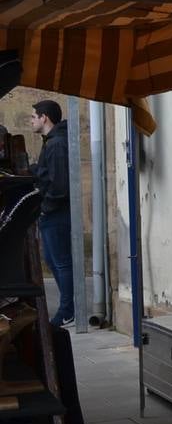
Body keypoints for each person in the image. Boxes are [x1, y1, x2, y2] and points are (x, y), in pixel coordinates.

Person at [30, 99, 73, 327]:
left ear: (44, 117)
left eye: (34, 117)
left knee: (62, 262)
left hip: (55, 213)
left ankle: (68, 311)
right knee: (53, 260)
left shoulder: (56, 144)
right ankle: (69, 308)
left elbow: (60, 185)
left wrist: (45, 207)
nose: (31, 120)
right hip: (51, 212)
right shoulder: (51, 142)